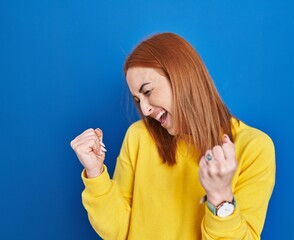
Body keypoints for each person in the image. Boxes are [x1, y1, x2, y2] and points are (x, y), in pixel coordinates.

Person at [70, 32, 275, 240]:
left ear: (182, 76)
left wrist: (220, 197)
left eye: (147, 92)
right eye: (138, 99)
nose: (145, 109)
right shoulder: (138, 137)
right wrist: (95, 172)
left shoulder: (254, 148)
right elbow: (119, 231)